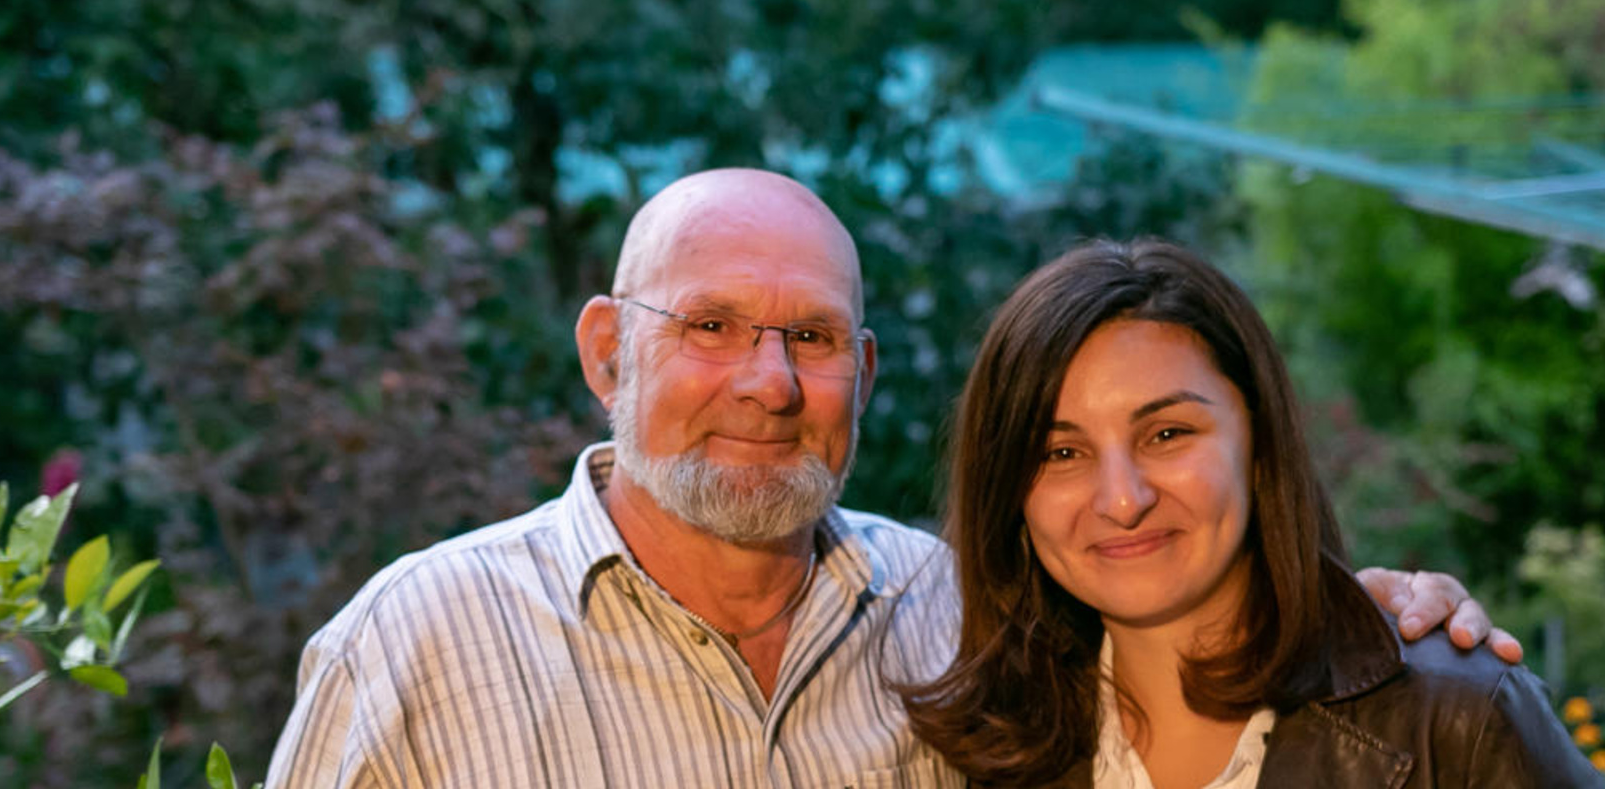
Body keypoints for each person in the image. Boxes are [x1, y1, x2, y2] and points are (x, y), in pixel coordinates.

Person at [265, 171, 1520, 788]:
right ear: (607, 349)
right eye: (709, 327)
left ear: (861, 373)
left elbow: (1216, 628)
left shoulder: (964, 621)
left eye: (809, 338)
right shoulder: (412, 649)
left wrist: (1381, 614)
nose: (767, 382)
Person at [901, 239, 1601, 788]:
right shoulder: (984, 759)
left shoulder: (1457, 718)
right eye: (1060, 452)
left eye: (1168, 434)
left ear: (1259, 441)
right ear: (1009, 493)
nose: (1122, 498)